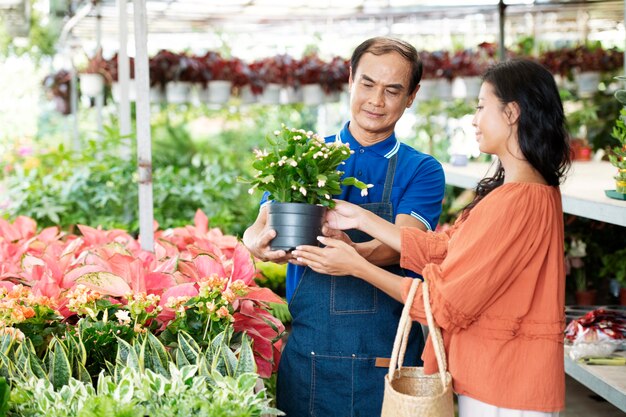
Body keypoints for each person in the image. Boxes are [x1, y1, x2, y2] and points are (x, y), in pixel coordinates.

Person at [293, 58, 571, 416]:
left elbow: (444, 304)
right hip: (501, 376)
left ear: (512, 113)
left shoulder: (517, 200)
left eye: (482, 107)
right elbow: (448, 247)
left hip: (506, 382)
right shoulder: (523, 191)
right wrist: (361, 217)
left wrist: (357, 266)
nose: (474, 119)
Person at [243, 37, 446, 417]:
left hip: (386, 360)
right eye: (367, 84)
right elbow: (266, 222)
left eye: (392, 90)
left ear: (412, 96)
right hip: (310, 359)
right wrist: (254, 241)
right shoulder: (305, 155)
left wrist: (350, 256)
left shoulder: (421, 169)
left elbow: (401, 246)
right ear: (351, 79)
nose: (376, 100)